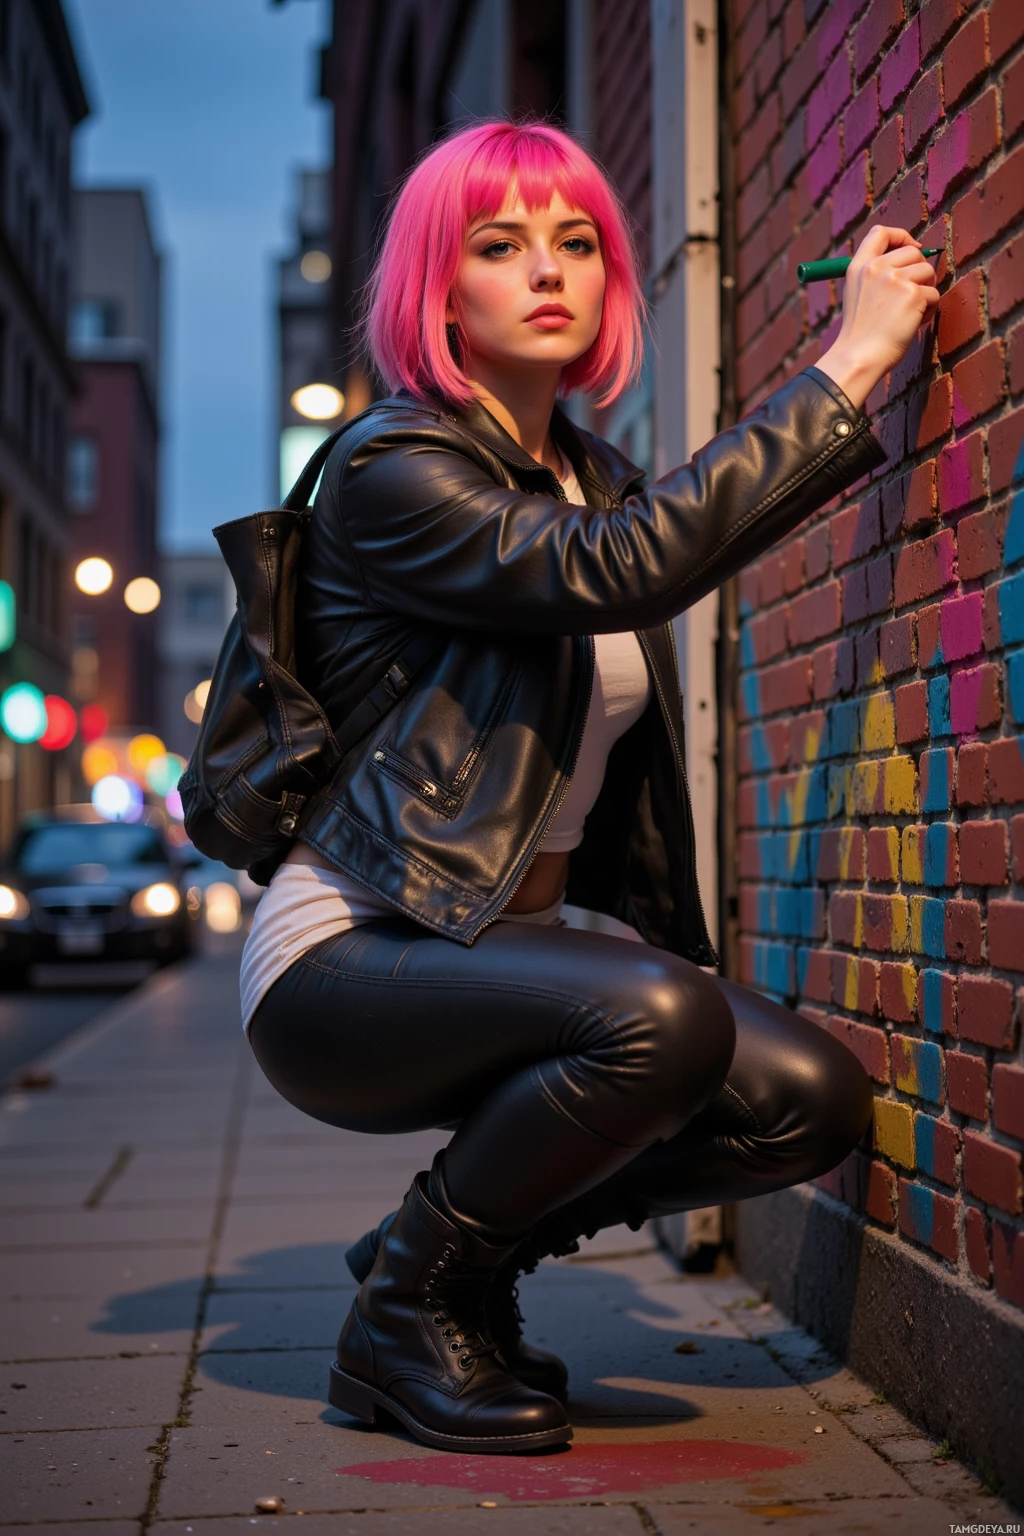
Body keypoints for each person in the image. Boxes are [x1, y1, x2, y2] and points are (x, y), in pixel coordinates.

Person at [239, 120, 939, 1456]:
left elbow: (618, 547)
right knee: (661, 1021)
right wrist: (852, 361)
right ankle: (407, 1314)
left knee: (807, 1100)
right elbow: (612, 568)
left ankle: (439, 1244)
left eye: (578, 243)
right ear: (440, 292)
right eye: (500, 246)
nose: (549, 270)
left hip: (518, 950)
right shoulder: (395, 471)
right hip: (348, 957)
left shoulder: (594, 473)